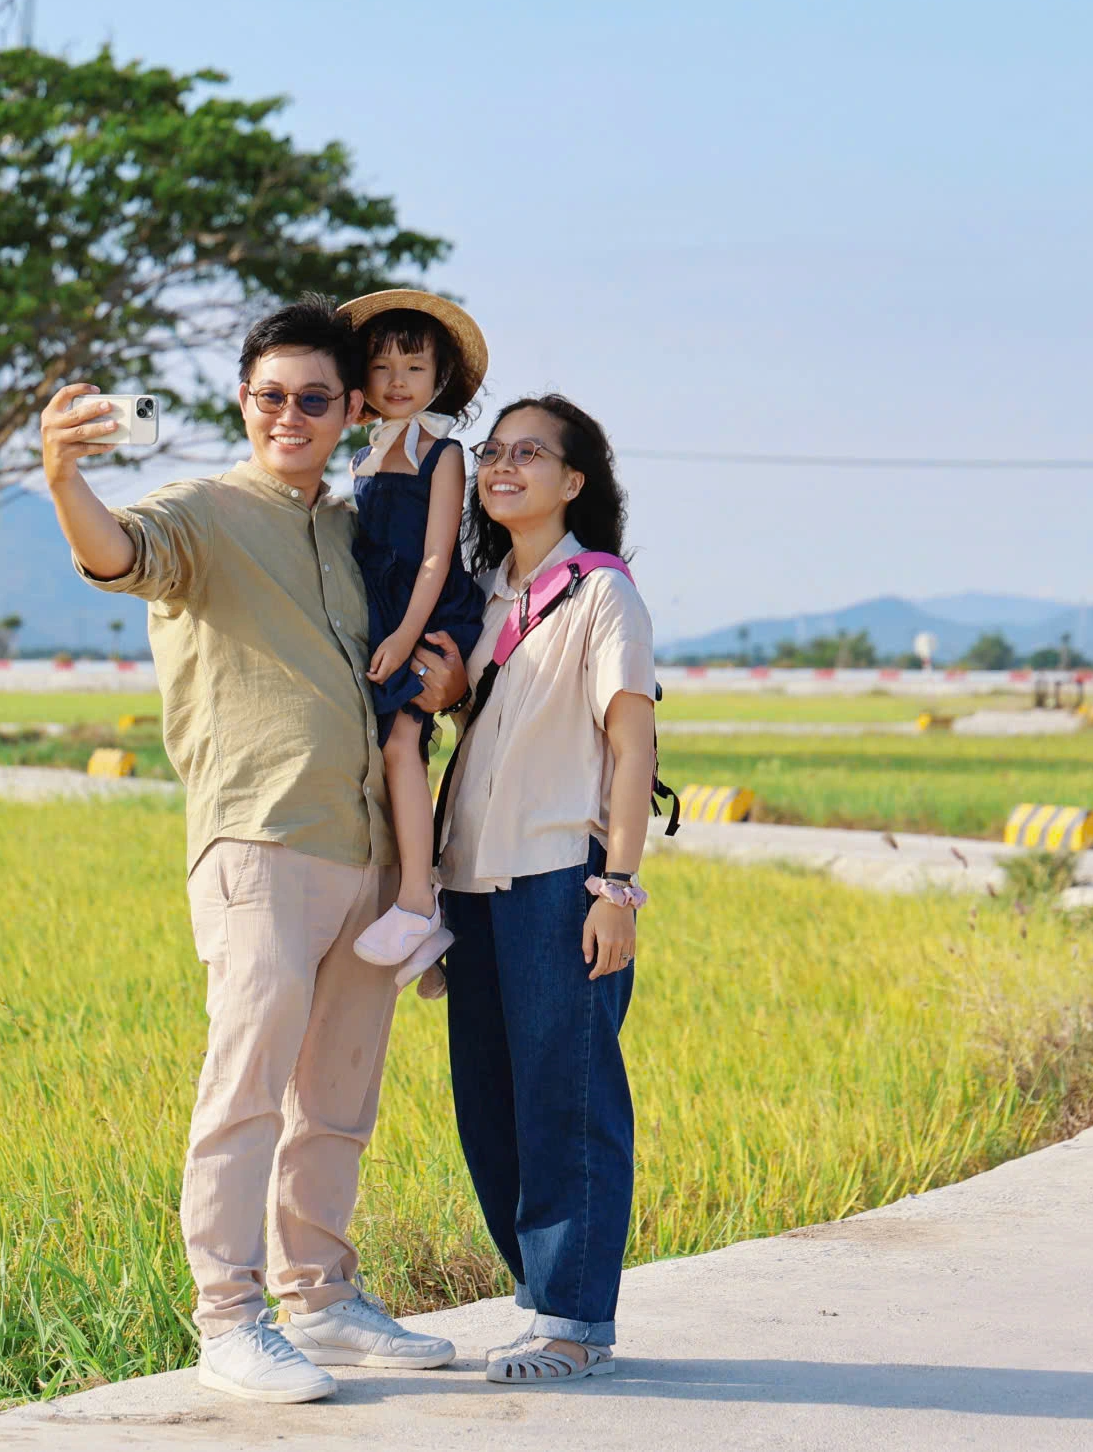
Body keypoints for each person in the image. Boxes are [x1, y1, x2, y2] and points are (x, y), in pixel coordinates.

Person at [39, 299, 471, 1405]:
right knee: (245, 1086)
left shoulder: (352, 527)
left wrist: (445, 677)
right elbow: (117, 552)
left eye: (314, 398)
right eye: (271, 395)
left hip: (369, 850)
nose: (290, 415)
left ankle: (319, 1296)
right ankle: (227, 1319)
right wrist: (63, 478)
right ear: (243, 401)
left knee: (337, 1094)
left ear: (352, 409)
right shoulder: (202, 512)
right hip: (261, 842)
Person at [432, 394, 658, 1385]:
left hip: (562, 876)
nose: (502, 464)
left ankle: (575, 1323)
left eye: (530, 452)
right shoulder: (483, 598)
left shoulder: (602, 592)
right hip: (472, 881)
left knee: (567, 1101)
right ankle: (541, 1299)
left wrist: (618, 886)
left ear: (573, 480)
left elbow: (631, 743)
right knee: (488, 1102)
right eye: (493, 449)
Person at [333, 289, 491, 988]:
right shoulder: (362, 455)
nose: (398, 381)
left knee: (403, 747)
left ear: (440, 377)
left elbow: (435, 557)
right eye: (382, 367)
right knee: (388, 755)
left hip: (426, 616)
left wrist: (402, 637)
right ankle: (428, 938)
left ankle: (418, 904)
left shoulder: (443, 453)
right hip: (380, 616)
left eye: (415, 368)